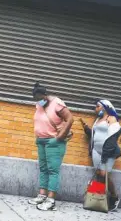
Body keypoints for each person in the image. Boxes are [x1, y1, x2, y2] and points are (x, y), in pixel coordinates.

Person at [28, 82, 73, 211]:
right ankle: (42, 195)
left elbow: (70, 119)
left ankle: (51, 199)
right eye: (36, 100)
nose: (38, 102)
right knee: (43, 169)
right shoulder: (39, 105)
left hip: (53, 142)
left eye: (40, 99)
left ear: (45, 95)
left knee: (53, 170)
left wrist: (59, 137)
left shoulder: (56, 103)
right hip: (41, 141)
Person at [80, 99, 121, 211]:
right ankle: (98, 200)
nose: (96, 109)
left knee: (104, 174)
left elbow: (113, 138)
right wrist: (87, 130)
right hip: (96, 151)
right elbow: (96, 135)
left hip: (108, 152)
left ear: (105, 107)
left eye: (98, 106)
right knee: (99, 174)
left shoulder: (111, 119)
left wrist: (105, 155)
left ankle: (114, 197)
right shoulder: (98, 120)